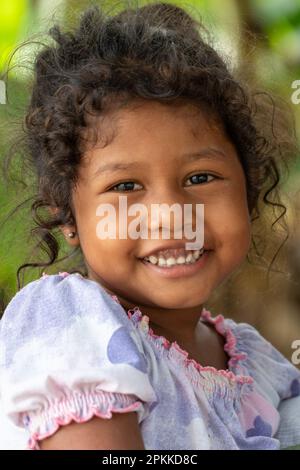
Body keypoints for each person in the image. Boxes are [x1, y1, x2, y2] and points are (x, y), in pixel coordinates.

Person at [0, 1, 300, 450]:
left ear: (248, 189)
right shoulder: (70, 323)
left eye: (200, 178)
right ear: (67, 216)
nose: (170, 213)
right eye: (125, 186)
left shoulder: (260, 364)